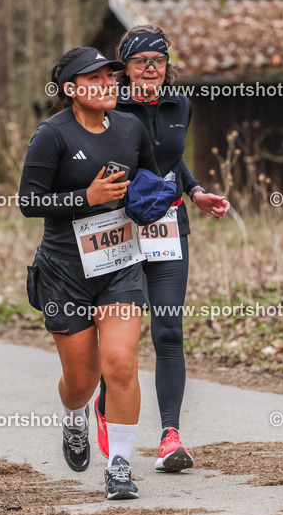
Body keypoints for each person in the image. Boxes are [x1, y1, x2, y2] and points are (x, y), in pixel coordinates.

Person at [19, 46, 162, 500]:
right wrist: (88, 197)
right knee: (81, 381)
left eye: (112, 77)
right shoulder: (51, 135)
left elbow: (151, 185)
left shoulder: (131, 128)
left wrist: (165, 200)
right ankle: (75, 416)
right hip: (65, 271)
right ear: (70, 90)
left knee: (119, 363)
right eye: (95, 79)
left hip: (119, 265)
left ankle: (119, 465)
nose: (109, 85)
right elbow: (29, 203)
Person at [95, 25, 230, 472]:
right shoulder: (110, 106)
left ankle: (171, 438)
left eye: (158, 60)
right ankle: (103, 399)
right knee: (123, 339)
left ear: (167, 67)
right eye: (140, 61)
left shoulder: (180, 104)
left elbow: (171, 158)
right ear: (126, 69)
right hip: (118, 227)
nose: (150, 68)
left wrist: (196, 191)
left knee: (169, 330)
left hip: (168, 225)